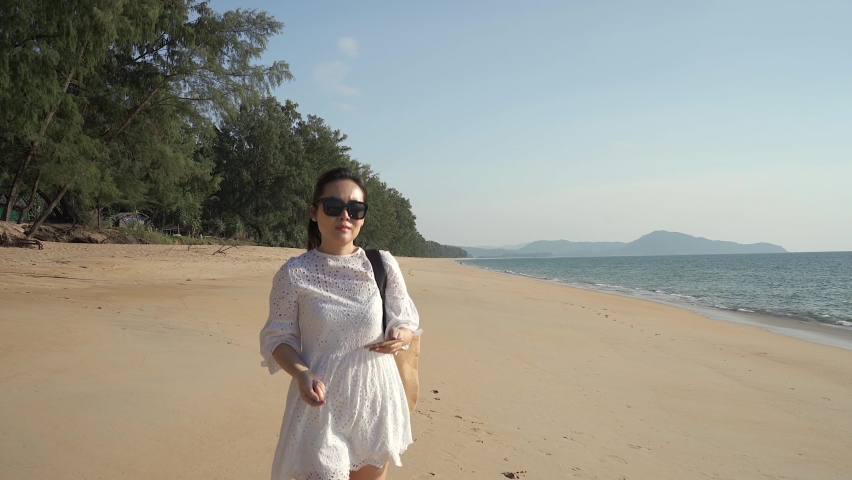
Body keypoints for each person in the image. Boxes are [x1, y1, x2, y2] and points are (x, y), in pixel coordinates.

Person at [259, 167, 421, 480]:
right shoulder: (294, 273)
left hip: (375, 399)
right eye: (333, 207)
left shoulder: (381, 264)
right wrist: (301, 373)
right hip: (320, 404)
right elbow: (278, 338)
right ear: (314, 211)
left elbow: (404, 318)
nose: (344, 216)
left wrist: (401, 334)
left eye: (355, 209)